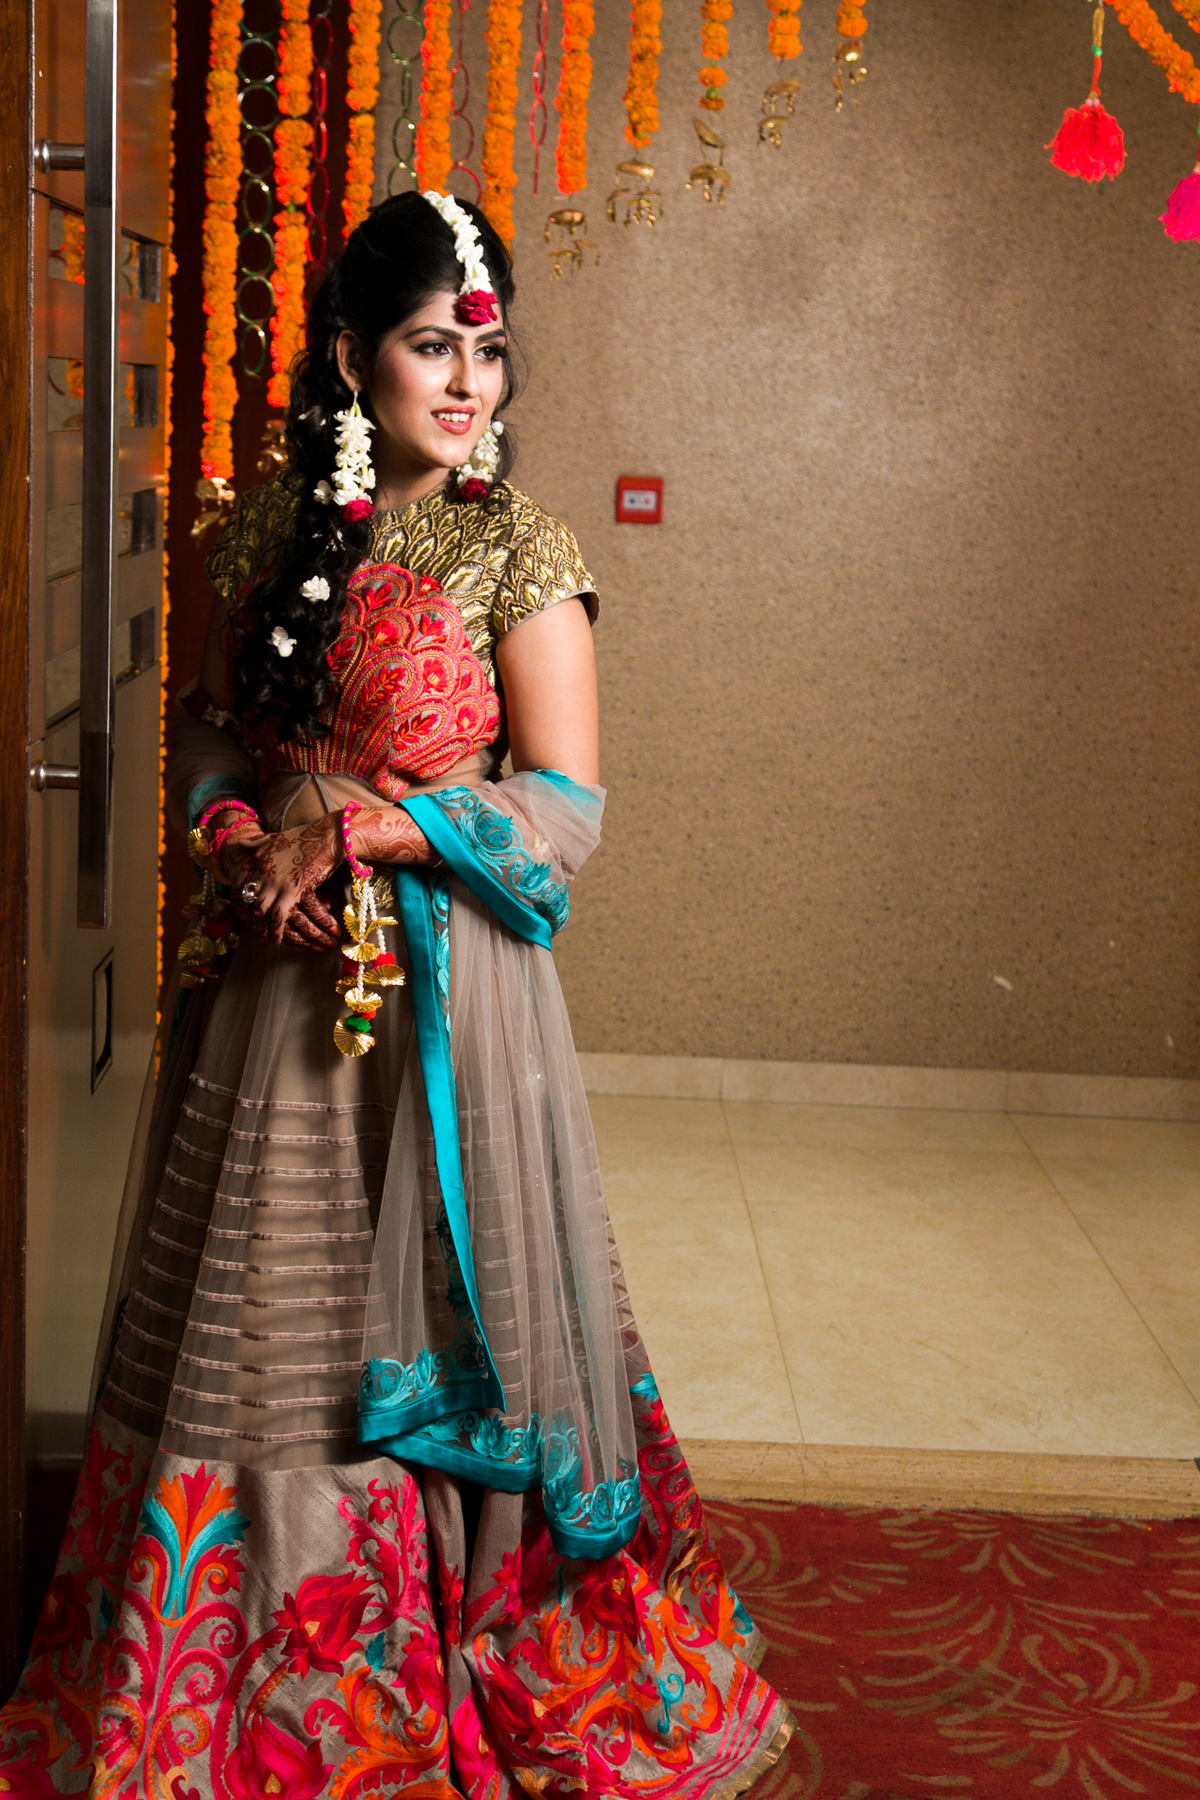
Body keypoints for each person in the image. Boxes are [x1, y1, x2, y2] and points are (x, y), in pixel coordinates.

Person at [0, 191, 792, 1799]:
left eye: (488, 353)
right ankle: (231, 1657)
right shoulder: (257, 532)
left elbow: (563, 807)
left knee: (440, 1313)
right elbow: (210, 733)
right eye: (435, 347)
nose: (469, 384)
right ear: (355, 355)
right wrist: (237, 840)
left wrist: (368, 830)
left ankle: (443, 1630)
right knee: (263, 1316)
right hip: (273, 989)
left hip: (443, 1001)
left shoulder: (523, 549)